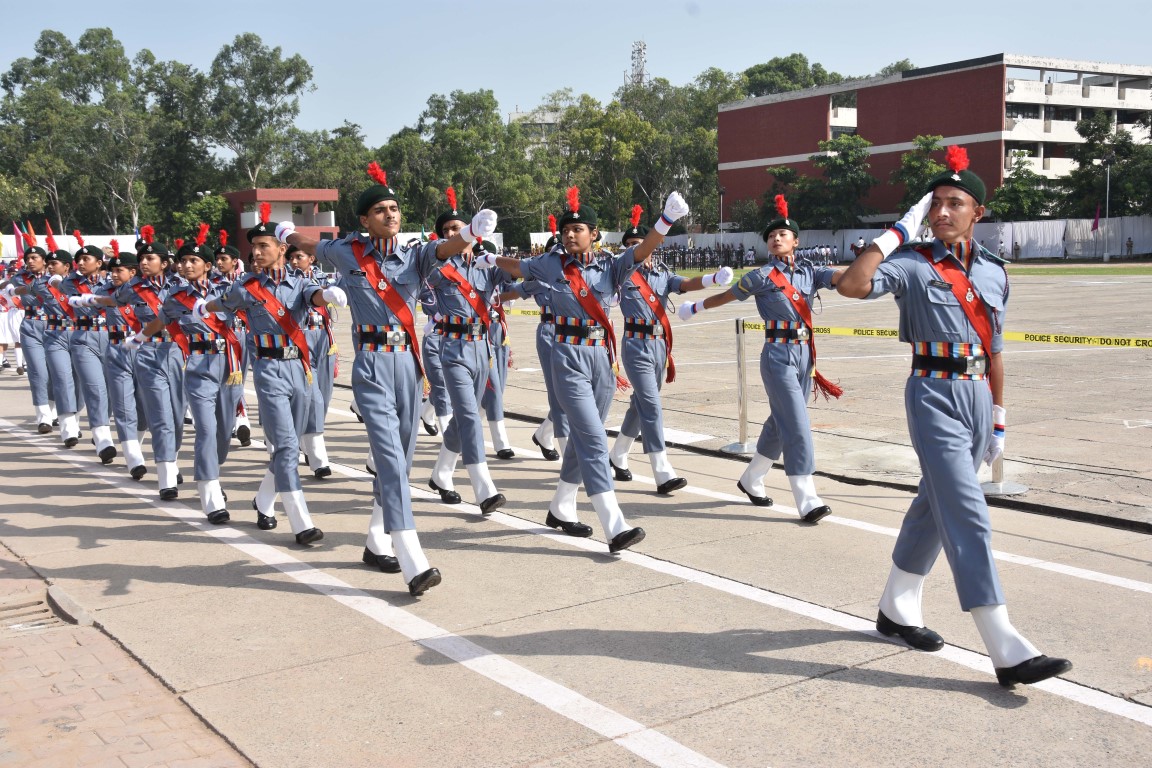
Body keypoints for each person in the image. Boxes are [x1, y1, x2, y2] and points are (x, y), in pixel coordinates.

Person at [836, 145, 1072, 688]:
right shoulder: (913, 263)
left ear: (977, 213)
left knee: (933, 503)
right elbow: (852, 285)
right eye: (934, 203)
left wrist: (1000, 416)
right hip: (933, 394)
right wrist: (898, 231)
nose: (941, 212)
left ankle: (897, 606)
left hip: (978, 396)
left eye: (954, 204)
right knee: (966, 510)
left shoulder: (994, 272)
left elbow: (995, 349)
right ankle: (1004, 643)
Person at [280, 163, 497, 596]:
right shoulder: (347, 252)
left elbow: (446, 248)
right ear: (365, 219)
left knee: (400, 460)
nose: (390, 214)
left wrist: (472, 233)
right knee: (392, 460)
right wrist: (286, 235)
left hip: (408, 367)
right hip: (372, 365)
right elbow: (313, 245)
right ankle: (412, 559)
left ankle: (376, 540)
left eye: (394, 208)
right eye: (380, 210)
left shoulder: (415, 254)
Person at [479, 187, 690, 553]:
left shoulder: (612, 266)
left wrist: (666, 219)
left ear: (594, 233)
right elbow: (518, 268)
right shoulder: (552, 264)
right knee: (593, 439)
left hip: (602, 359)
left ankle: (562, 505)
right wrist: (489, 258)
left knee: (583, 438)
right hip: (567, 355)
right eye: (566, 230)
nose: (570, 234)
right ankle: (614, 524)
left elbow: (643, 250)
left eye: (578, 229)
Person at [678, 195, 842, 523]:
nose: (776, 238)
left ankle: (752, 477)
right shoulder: (761, 276)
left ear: (796, 241)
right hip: (778, 355)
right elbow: (727, 296)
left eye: (783, 234)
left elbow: (841, 278)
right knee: (796, 423)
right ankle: (806, 497)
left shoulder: (810, 271)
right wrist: (695, 307)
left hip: (805, 355)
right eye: (771, 236)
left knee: (780, 422)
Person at [195, 205, 338, 546]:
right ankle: (301, 522)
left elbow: (314, 296)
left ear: (282, 248)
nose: (257, 252)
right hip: (269, 370)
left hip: (300, 369)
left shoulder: (301, 282)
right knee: (286, 445)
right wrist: (203, 308)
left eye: (264, 246)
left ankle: (263, 500)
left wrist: (327, 295)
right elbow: (223, 302)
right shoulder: (247, 287)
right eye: (254, 247)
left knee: (291, 446)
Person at [609, 204, 733, 493]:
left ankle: (618, 454)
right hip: (635, 345)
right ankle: (662, 470)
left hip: (659, 346)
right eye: (629, 244)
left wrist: (713, 279)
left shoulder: (662, 273)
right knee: (651, 404)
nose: (634, 247)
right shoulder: (622, 273)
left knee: (640, 405)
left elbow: (685, 284)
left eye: (639, 242)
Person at [90, 228, 189, 498]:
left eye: (150, 258)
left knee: (177, 416)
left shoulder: (181, 286)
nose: (144, 262)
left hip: (177, 351)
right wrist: (87, 300)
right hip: (148, 353)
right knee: (160, 415)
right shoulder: (133, 287)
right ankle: (166, 478)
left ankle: (172, 459)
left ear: (164, 263)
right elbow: (111, 300)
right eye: (142, 259)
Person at [60, 232, 118, 464]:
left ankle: (101, 426)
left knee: (112, 389)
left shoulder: (111, 283)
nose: (81, 263)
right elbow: (63, 287)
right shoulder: (70, 283)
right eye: (79, 260)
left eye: (86, 259)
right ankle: (103, 439)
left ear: (99, 262)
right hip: (83, 337)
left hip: (111, 337)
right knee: (95, 388)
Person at [288, 243, 336, 479]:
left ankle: (305, 440)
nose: (294, 261)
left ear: (312, 259)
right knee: (314, 398)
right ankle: (318, 459)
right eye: (291, 257)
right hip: (302, 339)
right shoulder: (290, 282)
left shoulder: (324, 279)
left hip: (325, 341)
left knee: (323, 398)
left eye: (299, 256)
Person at [2, 233, 57, 431]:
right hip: (31, 324)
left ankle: (53, 411)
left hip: (55, 326)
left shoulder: (55, 278)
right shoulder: (20, 278)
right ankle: (43, 418)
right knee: (38, 372)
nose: (30, 261)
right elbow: (6, 287)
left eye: (34, 258)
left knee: (55, 371)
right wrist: (11, 287)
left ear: (44, 261)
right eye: (28, 258)